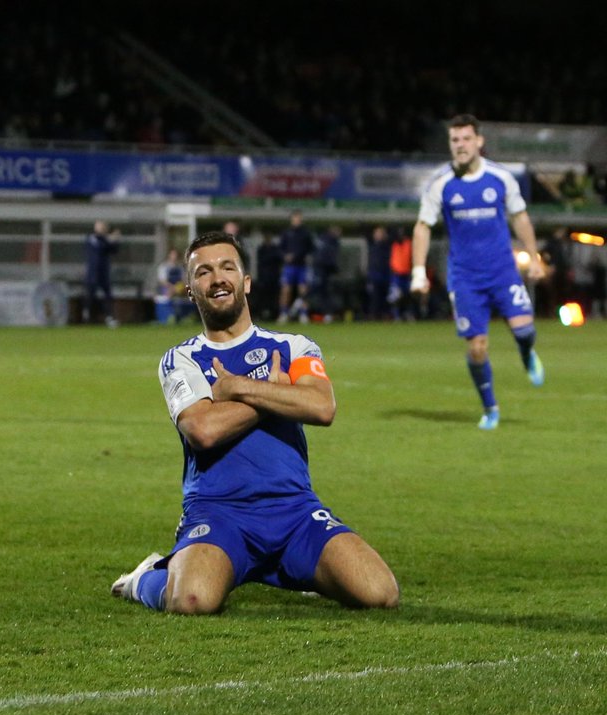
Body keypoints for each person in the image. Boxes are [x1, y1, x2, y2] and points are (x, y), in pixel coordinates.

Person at [111, 231, 400, 615]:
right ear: (190, 290)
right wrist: (274, 392)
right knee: (192, 600)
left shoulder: (295, 345)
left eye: (228, 267)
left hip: (294, 510)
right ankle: (145, 578)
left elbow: (321, 407)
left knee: (379, 592)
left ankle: (299, 570)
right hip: (217, 511)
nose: (217, 278)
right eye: (204, 272)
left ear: (245, 282)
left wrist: (237, 389)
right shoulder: (181, 359)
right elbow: (204, 430)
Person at [410, 113, 546, 431]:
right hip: (466, 278)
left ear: (479, 141)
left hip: (503, 272)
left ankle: (526, 353)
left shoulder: (501, 178)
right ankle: (490, 409)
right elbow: (422, 227)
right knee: (477, 347)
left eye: (466, 139)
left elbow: (521, 217)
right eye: (454, 140)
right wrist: (418, 271)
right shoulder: (440, 184)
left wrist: (534, 257)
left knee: (524, 331)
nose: (460, 145)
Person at [277, 210, 315, 323]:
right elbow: (280, 249)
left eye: (299, 218)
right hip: (289, 267)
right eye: (295, 218)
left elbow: (311, 248)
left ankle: (303, 314)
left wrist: (302, 255)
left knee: (303, 290)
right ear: (291, 219)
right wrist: (285, 256)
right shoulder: (286, 233)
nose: (297, 220)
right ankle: (283, 313)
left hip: (302, 266)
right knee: (285, 289)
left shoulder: (306, 233)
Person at [84, 220, 120, 328]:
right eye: (100, 227)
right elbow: (101, 247)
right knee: (90, 296)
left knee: (108, 296)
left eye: (103, 227)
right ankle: (86, 317)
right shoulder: (92, 238)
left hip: (104, 273)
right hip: (93, 273)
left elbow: (114, 250)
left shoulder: (105, 240)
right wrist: (110, 239)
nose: (102, 229)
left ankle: (109, 317)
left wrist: (115, 240)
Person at [153, 247, 193, 323]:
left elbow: (184, 280)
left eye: (176, 255)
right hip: (167, 288)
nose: (174, 257)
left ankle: (186, 315)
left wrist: (181, 287)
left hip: (179, 288)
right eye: (173, 255)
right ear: (169, 256)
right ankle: (170, 316)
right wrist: (172, 287)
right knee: (170, 291)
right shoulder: (164, 267)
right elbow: (162, 281)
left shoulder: (180, 267)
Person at [310, 225, 341, 322]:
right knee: (318, 292)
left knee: (324, 293)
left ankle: (326, 314)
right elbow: (325, 257)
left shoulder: (331, 242)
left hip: (325, 272)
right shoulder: (327, 241)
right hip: (321, 271)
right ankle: (318, 313)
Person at [365, 226, 391, 320]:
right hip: (374, 276)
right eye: (377, 233)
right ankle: (373, 316)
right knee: (374, 298)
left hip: (386, 276)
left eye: (380, 233)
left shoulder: (387, 245)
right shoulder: (372, 245)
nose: (378, 235)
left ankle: (385, 316)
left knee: (386, 299)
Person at [388, 227, 413, 321]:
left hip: (406, 273)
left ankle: (408, 313)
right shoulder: (394, 244)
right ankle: (396, 315)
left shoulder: (408, 243)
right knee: (395, 296)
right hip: (396, 274)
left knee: (407, 296)